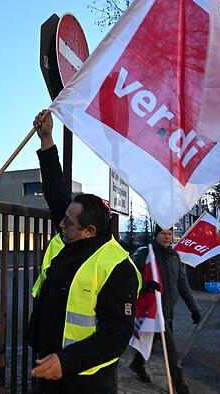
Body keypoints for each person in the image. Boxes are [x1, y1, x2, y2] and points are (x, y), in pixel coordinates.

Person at [26, 110, 141, 393]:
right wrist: (47, 139)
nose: (61, 225)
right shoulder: (72, 238)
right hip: (50, 367)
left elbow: (116, 336)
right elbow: (55, 191)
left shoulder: (117, 266)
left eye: (68, 222)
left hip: (83, 380)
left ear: (89, 231)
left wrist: (66, 362)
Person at [128, 226, 202, 392]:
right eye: (163, 233)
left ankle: (136, 364)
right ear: (156, 235)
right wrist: (145, 285)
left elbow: (183, 284)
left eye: (170, 233)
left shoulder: (174, 256)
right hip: (151, 309)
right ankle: (180, 387)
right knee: (171, 352)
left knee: (151, 339)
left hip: (167, 311)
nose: (167, 237)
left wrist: (194, 309)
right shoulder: (145, 253)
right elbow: (131, 275)